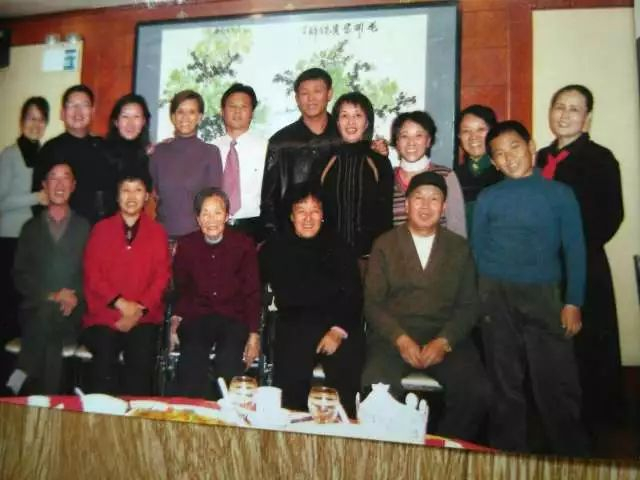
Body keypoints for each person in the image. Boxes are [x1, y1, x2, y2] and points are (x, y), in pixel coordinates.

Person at [473, 120, 589, 456]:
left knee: (556, 381)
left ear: (531, 147)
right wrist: (483, 297)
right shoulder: (488, 197)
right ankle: (508, 456)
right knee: (503, 381)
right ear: (494, 163)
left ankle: (571, 458)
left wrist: (573, 302)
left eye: (514, 147)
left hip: (544, 295)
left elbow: (575, 250)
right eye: (499, 154)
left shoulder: (560, 194)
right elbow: (477, 250)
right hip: (495, 295)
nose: (508, 157)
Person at [362, 171, 489, 442]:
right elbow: (372, 303)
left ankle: (442, 451)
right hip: (393, 336)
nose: (425, 206)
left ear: (444, 207)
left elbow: (469, 305)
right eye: (418, 198)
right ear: (406, 204)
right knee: (375, 387)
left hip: (445, 336)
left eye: (434, 199)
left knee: (476, 391)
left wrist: (444, 341)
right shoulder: (385, 244)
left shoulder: (459, 247)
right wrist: (400, 338)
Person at [536, 84, 624, 431]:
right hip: (543, 268)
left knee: (586, 346)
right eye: (559, 106)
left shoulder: (600, 159)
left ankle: (589, 424)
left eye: (574, 109)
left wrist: (570, 248)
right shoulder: (540, 157)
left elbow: (610, 216)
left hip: (583, 265)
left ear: (587, 118)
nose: (565, 115)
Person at [260, 184, 363, 417]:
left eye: (315, 211)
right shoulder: (275, 248)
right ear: (291, 215)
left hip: (336, 325)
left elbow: (354, 295)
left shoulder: (339, 247)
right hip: (295, 325)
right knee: (291, 375)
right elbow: (249, 281)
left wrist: (337, 331)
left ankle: (341, 432)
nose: (308, 218)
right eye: (301, 211)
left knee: (345, 371)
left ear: (323, 215)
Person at [82, 169, 170, 395]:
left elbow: (161, 277)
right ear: (117, 196)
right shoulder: (101, 230)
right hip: (105, 315)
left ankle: (136, 415)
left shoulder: (158, 232)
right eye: (125, 190)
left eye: (138, 190)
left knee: (141, 361)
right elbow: (93, 274)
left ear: (147, 196)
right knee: (103, 361)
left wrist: (138, 310)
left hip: (144, 317)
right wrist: (121, 304)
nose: (131, 196)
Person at [7, 160, 90, 395]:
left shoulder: (84, 227)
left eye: (66, 177)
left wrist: (73, 296)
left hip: (72, 311)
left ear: (73, 185)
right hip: (36, 308)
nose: (60, 184)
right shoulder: (30, 228)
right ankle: (51, 402)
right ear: (44, 185)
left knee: (49, 321)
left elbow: (91, 272)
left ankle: (22, 371)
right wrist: (52, 295)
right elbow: (20, 275)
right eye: (54, 177)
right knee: (49, 327)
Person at [171, 188, 260, 399]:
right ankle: (193, 413)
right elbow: (182, 288)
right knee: (192, 361)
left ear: (227, 216)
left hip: (232, 317)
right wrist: (175, 319)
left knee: (229, 361)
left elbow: (252, 291)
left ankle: (227, 414)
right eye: (206, 213)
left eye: (217, 213)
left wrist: (254, 334)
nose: (212, 220)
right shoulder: (186, 246)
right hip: (198, 315)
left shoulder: (243, 245)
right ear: (198, 218)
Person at [0, 97, 50, 380]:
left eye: (41, 119)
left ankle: (21, 380)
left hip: (35, 243)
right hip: (9, 241)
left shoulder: (44, 154)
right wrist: (35, 197)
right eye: (31, 118)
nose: (36, 124)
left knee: (28, 310)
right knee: (8, 310)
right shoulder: (9, 155)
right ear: (22, 121)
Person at [261, 68, 339, 235]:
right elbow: (269, 199)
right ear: (296, 98)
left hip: (339, 232)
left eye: (317, 91)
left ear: (329, 94)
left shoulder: (345, 137)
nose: (311, 98)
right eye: (304, 93)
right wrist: (273, 237)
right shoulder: (281, 142)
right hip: (292, 234)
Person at [319, 92, 393, 257]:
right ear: (337, 122)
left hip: (370, 258)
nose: (351, 122)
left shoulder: (379, 162)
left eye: (358, 115)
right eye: (344, 115)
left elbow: (386, 217)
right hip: (330, 257)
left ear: (367, 123)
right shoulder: (324, 162)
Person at [33, 84, 115, 224]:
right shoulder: (50, 150)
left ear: (92, 112)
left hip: (99, 230)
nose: (78, 111)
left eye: (84, 105)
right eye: (72, 105)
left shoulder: (104, 148)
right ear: (62, 113)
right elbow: (39, 199)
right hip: (63, 231)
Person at [149, 90, 223, 238]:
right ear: (173, 116)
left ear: (199, 117)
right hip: (162, 235)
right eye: (180, 112)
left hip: (197, 237)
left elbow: (214, 200)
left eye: (191, 112)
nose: (185, 117)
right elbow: (153, 194)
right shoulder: (159, 152)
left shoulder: (210, 153)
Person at [390, 111, 466, 237]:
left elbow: (458, 230)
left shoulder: (446, 176)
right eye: (404, 136)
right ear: (397, 142)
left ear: (428, 141)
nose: (411, 142)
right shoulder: (387, 178)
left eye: (418, 135)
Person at [212, 83, 267, 243]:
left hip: (254, 228)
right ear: (222, 111)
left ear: (252, 113)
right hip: (215, 225)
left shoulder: (267, 148)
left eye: (243, 107)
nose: (237, 111)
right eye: (232, 106)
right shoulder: (210, 149)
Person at [454, 105, 502, 232]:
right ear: (459, 136)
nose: (473, 136)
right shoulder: (453, 177)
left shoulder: (505, 172)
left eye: (481, 129)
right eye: (466, 131)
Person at [104, 93, 153, 186]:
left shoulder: (150, 156)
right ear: (116, 121)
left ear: (144, 121)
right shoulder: (101, 153)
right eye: (125, 116)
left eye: (136, 117)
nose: (130, 123)